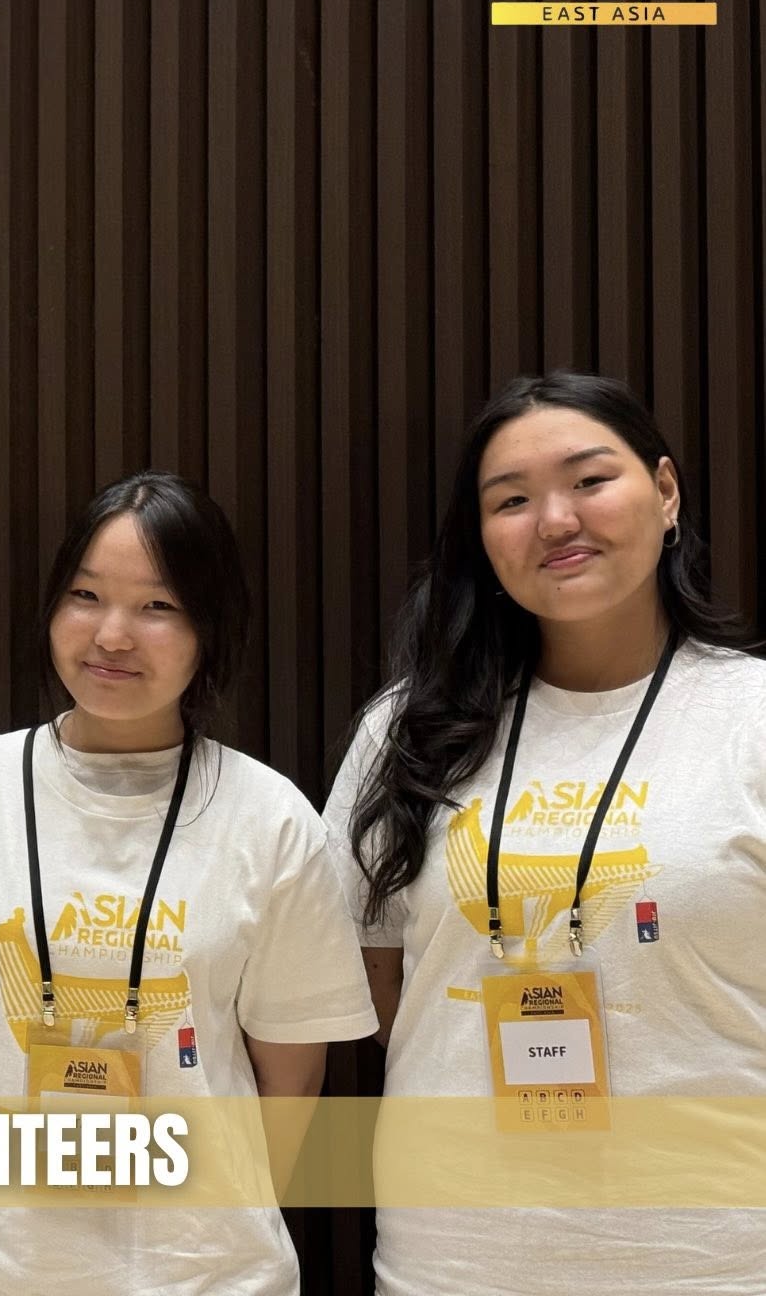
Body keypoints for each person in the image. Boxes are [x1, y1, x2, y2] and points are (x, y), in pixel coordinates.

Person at [0, 471, 376, 1293]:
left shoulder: (272, 817)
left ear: (210, 628)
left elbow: (292, 1082)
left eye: (157, 606)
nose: (111, 635)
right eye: (86, 595)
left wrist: (209, 1226)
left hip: (207, 1275)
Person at [326, 370, 766, 1294]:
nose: (556, 521)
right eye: (512, 501)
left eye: (590, 481)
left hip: (718, 1258)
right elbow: (375, 972)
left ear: (667, 492)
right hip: (456, 1260)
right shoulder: (408, 732)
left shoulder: (753, 717)